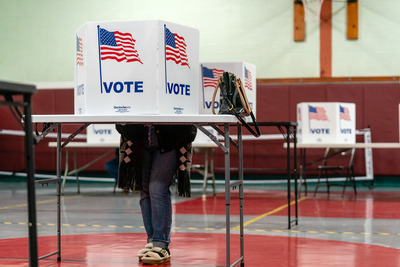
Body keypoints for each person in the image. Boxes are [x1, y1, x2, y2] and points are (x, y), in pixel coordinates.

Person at [116, 124, 196, 265]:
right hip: (140, 136)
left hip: (169, 136)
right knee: (145, 191)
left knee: (157, 188)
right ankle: (153, 241)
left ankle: (161, 244)